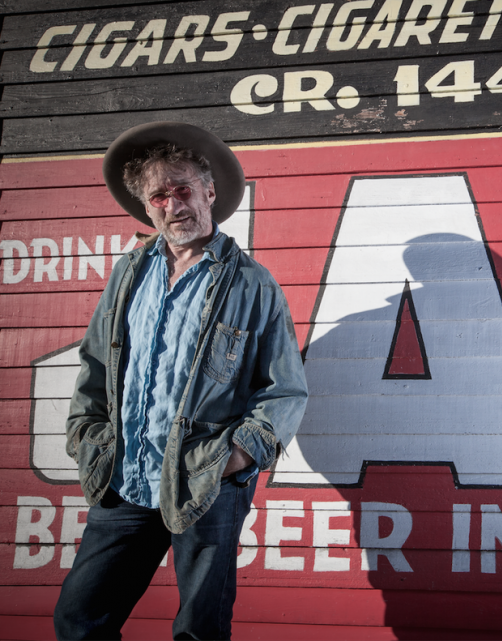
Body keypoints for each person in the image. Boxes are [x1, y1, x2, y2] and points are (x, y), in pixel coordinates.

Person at [53, 122, 308, 640]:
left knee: (199, 630)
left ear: (209, 192)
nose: (174, 206)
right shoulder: (128, 273)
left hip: (206, 482)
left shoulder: (251, 283)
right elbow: (96, 365)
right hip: (124, 477)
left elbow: (284, 389)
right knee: (79, 621)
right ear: (147, 208)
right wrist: (87, 437)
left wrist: (235, 457)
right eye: (159, 196)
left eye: (183, 189)